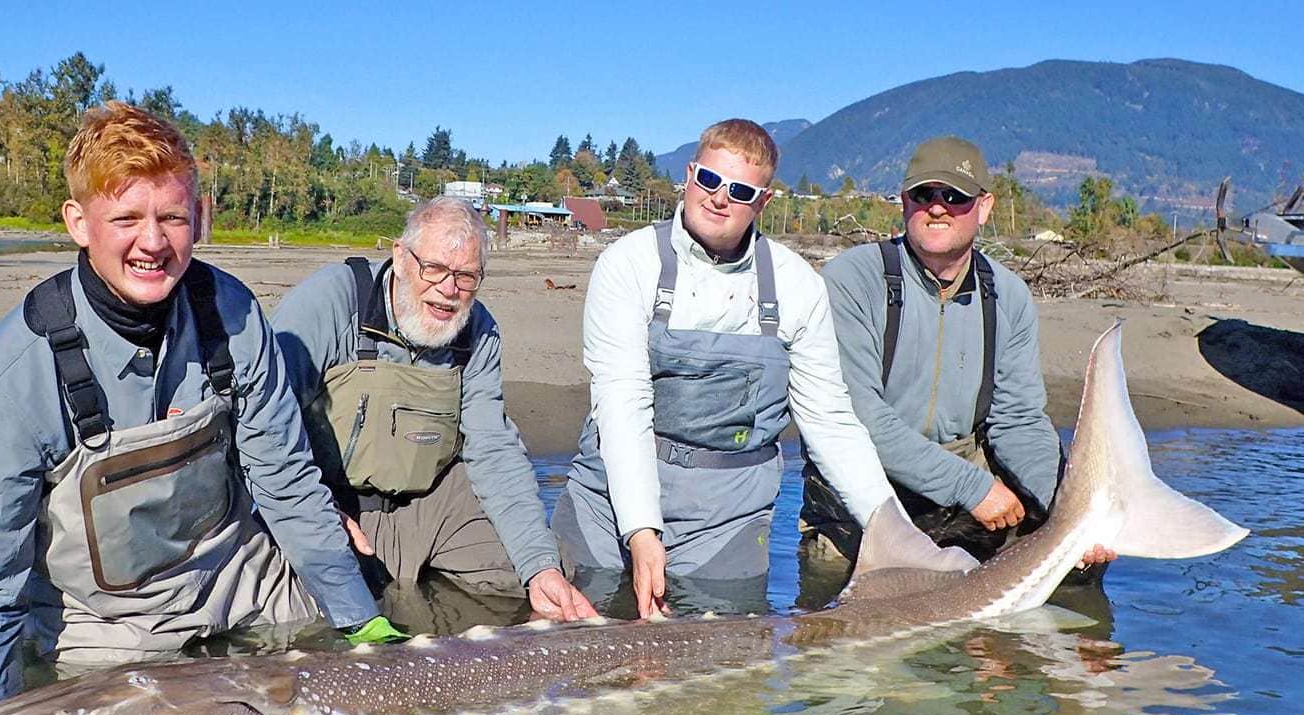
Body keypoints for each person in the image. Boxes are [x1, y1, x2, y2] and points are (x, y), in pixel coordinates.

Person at [0, 103, 384, 709]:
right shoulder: (13, 377)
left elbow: (286, 483)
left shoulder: (234, 313)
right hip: (108, 625)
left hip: (239, 577)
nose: (153, 243)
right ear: (78, 222)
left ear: (198, 218)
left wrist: (364, 628)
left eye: (172, 217)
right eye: (126, 218)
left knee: (365, 654)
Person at [551, 119, 898, 618]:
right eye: (709, 180)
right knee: (573, 659)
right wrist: (642, 530)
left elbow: (829, 422)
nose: (718, 198)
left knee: (728, 683)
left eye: (739, 190)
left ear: (764, 202)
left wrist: (890, 527)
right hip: (607, 503)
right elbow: (622, 404)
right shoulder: (628, 264)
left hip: (728, 517)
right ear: (690, 175)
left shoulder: (799, 286)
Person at [270, 196, 597, 627]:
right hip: (330, 505)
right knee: (292, 615)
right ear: (401, 258)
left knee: (549, 571)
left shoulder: (478, 331)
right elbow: (265, 426)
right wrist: (317, 510)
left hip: (431, 507)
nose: (449, 290)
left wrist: (541, 566)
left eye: (466, 276)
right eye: (436, 270)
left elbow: (494, 452)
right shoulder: (332, 299)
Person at [802, 135, 1114, 578]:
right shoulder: (851, 279)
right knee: (838, 616)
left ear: (983, 207)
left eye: (955, 196)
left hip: (967, 490)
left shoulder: (1008, 296)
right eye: (923, 194)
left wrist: (1071, 508)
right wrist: (972, 487)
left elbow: (1018, 421)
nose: (937, 206)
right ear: (904, 202)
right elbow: (859, 417)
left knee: (1076, 565)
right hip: (867, 492)